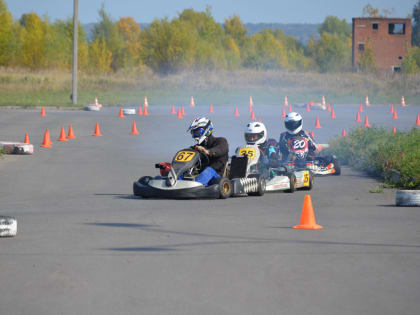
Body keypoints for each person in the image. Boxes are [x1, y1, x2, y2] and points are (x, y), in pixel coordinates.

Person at [187, 117, 229, 186]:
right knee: (184, 171)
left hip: (216, 175)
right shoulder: (197, 146)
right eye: (193, 132)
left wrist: (207, 151)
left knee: (207, 171)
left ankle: (194, 186)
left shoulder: (221, 141)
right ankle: (174, 182)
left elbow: (218, 150)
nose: (194, 135)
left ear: (207, 130)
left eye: (197, 132)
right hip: (200, 173)